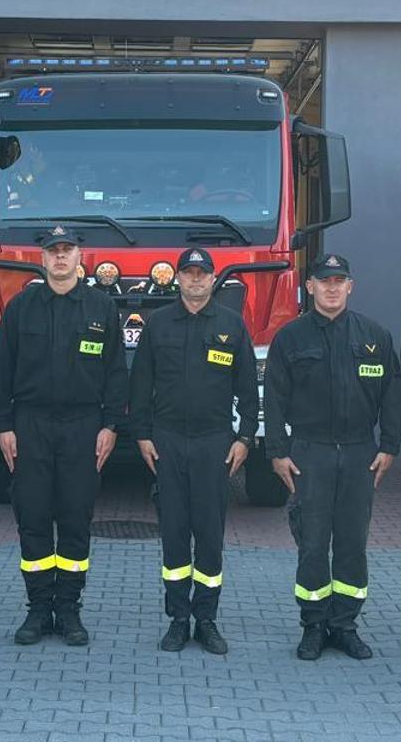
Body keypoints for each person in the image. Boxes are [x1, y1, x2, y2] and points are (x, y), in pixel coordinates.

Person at [0, 225, 128, 646]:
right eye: (54, 251)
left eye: (67, 250)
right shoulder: (21, 308)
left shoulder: (102, 308)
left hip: (83, 428)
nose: (61, 257)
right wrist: (3, 426)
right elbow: (2, 371)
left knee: (74, 520)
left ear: (79, 257)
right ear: (44, 258)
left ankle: (69, 610)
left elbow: (116, 372)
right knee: (32, 519)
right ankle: (37, 609)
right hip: (31, 425)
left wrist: (110, 425)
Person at [265, 254, 401, 661]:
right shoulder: (290, 338)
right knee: (312, 543)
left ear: (350, 286)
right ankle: (312, 625)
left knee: (352, 543)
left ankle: (344, 625)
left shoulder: (374, 336)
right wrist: (277, 451)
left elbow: (393, 396)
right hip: (311, 452)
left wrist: (390, 446)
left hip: (360, 452)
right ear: (310, 286)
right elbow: (273, 399)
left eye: (339, 281)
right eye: (324, 281)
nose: (332, 288)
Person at [129, 247, 258, 655]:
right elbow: (140, 383)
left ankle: (207, 619)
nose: (196, 279)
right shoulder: (158, 325)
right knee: (173, 535)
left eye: (203, 273)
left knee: (209, 534)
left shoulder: (232, 326)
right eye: (189, 273)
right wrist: (142, 435)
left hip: (214, 444)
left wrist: (245, 438)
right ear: (179, 279)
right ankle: (178, 619)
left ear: (213, 279)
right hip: (167, 443)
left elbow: (248, 388)